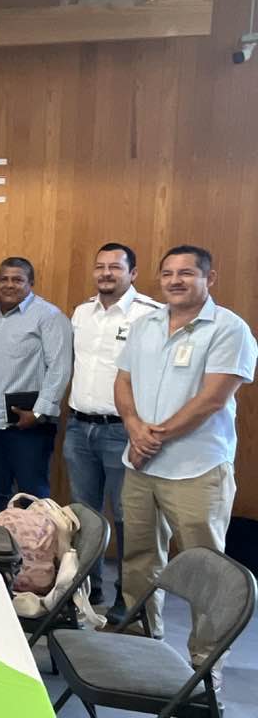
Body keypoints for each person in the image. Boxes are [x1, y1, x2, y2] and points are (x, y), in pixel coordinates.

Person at [115, 245, 256, 676]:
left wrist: (153, 437)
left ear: (209, 279)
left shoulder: (229, 329)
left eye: (186, 273)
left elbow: (213, 398)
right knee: (139, 558)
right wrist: (134, 427)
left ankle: (206, 664)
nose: (175, 281)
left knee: (205, 569)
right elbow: (122, 381)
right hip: (141, 466)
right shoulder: (145, 324)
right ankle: (141, 638)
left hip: (196, 469)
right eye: (168, 273)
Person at [64, 243, 160, 615]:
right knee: (85, 515)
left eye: (115, 267)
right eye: (100, 266)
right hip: (79, 426)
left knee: (126, 516)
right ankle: (89, 589)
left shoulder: (149, 315)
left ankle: (128, 597)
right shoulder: (81, 312)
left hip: (123, 430)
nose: (106, 273)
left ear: (132, 273)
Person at [0, 257, 72, 521]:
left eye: (17, 279)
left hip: (27, 426)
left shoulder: (49, 317)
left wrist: (38, 413)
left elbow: (60, 368)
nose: (9, 285)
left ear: (31, 283)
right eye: (4, 279)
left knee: (32, 497)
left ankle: (35, 547)